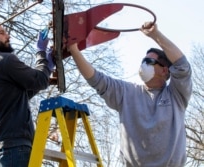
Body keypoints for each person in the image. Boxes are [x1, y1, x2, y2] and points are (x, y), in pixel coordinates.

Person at [67, 22, 192, 166]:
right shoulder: (127, 93)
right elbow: (97, 80)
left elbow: (182, 66)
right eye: (142, 61)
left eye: (149, 61)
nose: (143, 65)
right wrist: (73, 50)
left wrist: (155, 35)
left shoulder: (176, 95)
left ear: (165, 70)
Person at [0, 19, 54, 167]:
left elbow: (20, 95)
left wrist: (47, 69)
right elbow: (39, 80)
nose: (7, 36)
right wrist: (42, 54)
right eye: (1, 33)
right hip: (14, 147)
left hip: (0, 148)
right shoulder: (3, 60)